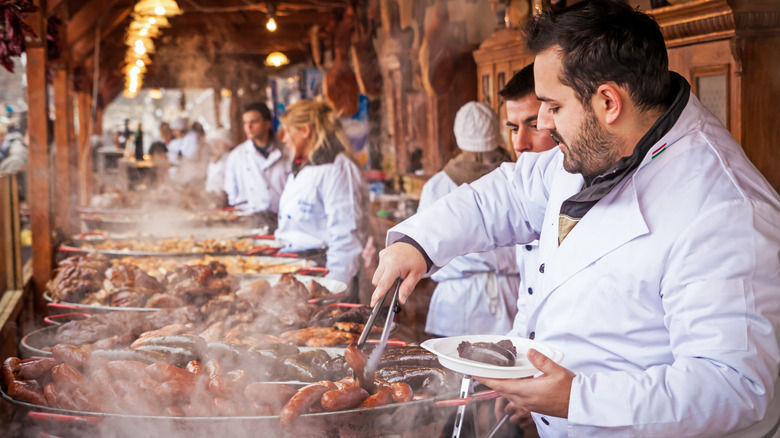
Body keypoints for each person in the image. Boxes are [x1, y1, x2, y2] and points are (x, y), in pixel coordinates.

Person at [370, 1, 780, 437]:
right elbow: (506, 193)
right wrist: (416, 243)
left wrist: (575, 399)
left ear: (608, 101)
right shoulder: (599, 146)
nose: (543, 124)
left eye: (553, 106)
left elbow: (733, 387)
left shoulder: (725, 209)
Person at [419, 101, 519, 337]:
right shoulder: (515, 178)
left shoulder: (437, 186)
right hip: (494, 295)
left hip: (465, 297)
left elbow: (428, 252)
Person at [275, 99, 370, 301]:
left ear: (305, 131)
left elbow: (346, 237)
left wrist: (334, 291)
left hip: (324, 277)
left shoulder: (338, 168)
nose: (284, 139)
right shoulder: (303, 168)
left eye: (287, 131)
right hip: (300, 273)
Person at [223, 103, 291, 215]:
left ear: (267, 124)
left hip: (284, 217)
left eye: (254, 122)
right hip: (250, 219)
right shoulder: (236, 156)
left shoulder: (287, 151)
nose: (248, 127)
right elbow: (232, 193)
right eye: (245, 123)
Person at [204, 128, 234, 197]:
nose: (215, 145)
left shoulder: (231, 159)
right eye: (214, 142)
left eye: (219, 142)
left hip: (226, 199)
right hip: (213, 198)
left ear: (228, 144)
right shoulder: (214, 160)